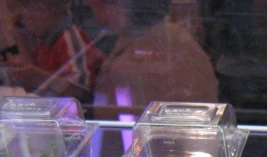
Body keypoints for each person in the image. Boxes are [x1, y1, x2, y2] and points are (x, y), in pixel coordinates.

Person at [87, 0, 218, 110]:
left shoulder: (129, 67)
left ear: (117, 3)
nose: (88, 2)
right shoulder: (175, 37)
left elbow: (114, 132)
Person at [7, 0, 103, 101]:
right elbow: (31, 83)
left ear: (41, 11)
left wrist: (40, 77)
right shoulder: (45, 43)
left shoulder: (69, 38)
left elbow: (79, 91)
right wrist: (22, 42)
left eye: (20, 18)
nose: (20, 25)